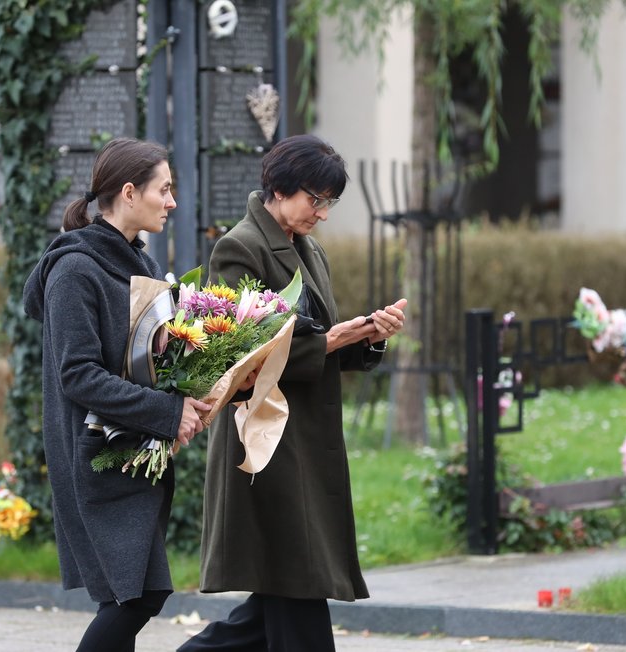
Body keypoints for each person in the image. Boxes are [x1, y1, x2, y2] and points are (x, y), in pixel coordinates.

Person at [179, 134, 406, 652]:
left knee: (284, 589)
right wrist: (336, 337)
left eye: (330, 202)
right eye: (316, 199)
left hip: (303, 436)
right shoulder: (239, 247)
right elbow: (237, 358)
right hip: (265, 441)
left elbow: (318, 342)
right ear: (280, 188)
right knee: (297, 578)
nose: (322, 213)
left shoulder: (310, 249)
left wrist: (367, 338)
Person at [23, 138, 212, 652]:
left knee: (135, 595)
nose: (172, 201)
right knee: (135, 597)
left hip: (130, 448)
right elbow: (79, 375)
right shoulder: (74, 269)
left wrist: (198, 389)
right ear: (129, 193)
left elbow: (144, 362)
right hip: (96, 455)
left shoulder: (141, 268)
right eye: (164, 189)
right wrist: (167, 411)